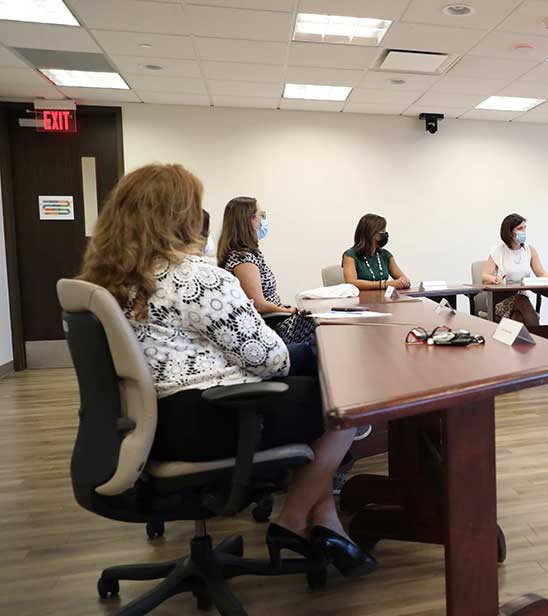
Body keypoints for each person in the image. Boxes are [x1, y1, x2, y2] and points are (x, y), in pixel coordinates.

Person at [78, 164, 376, 578]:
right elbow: (270, 359)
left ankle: (324, 522)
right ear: (180, 216)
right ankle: (290, 522)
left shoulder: (110, 278)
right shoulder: (195, 277)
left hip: (149, 422)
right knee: (346, 402)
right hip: (215, 417)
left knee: (312, 390)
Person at [218, 197, 316, 349]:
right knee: (318, 325)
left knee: (319, 320)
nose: (263, 221)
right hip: (272, 328)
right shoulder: (243, 259)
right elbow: (259, 305)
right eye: (260, 215)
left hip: (278, 319)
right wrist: (287, 310)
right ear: (248, 221)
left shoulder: (251, 254)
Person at [481, 213, 548, 326]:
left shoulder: (529, 249)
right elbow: (484, 276)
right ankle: (539, 338)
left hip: (522, 300)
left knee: (518, 318)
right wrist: (494, 279)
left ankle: (524, 342)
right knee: (521, 301)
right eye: (520, 228)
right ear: (510, 232)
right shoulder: (498, 251)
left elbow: (541, 273)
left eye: (525, 228)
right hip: (500, 300)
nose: (523, 231)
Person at [342, 214, 411, 291]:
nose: (385, 234)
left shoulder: (385, 255)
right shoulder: (350, 255)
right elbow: (351, 283)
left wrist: (403, 281)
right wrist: (384, 284)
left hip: (384, 300)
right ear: (371, 233)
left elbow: (402, 278)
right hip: (360, 301)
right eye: (383, 231)